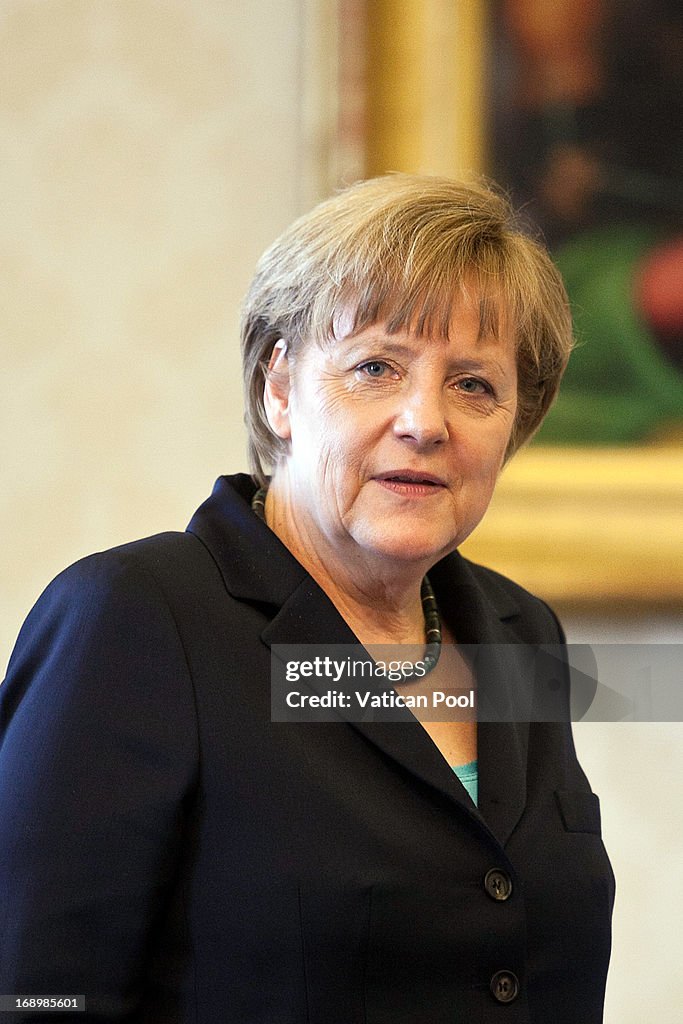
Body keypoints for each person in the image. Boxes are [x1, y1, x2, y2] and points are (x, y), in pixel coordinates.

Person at [0, 175, 614, 1023]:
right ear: (279, 389)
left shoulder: (521, 632)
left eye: (473, 384)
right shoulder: (137, 618)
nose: (424, 421)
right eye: (375, 367)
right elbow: (35, 993)